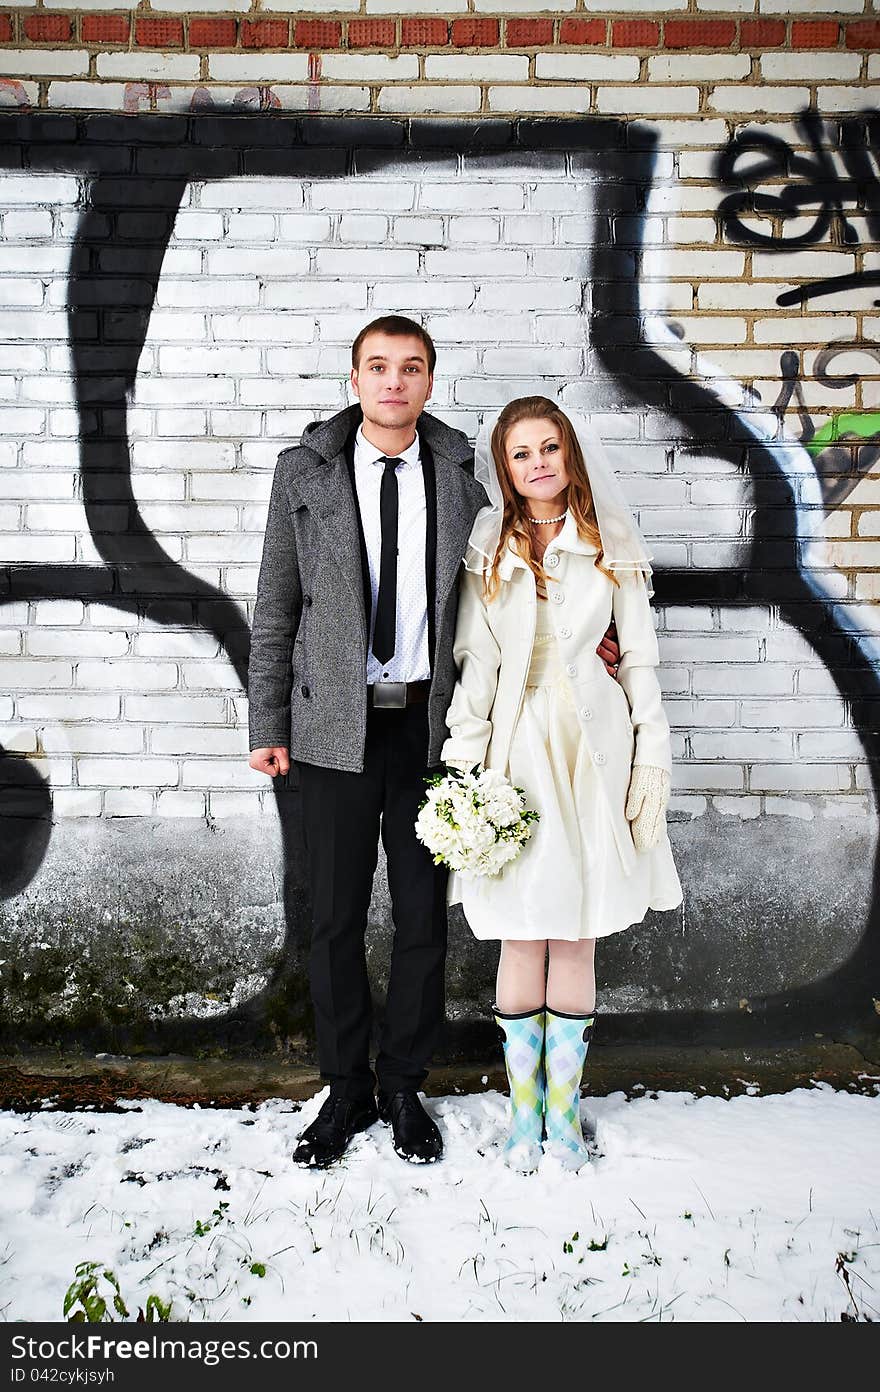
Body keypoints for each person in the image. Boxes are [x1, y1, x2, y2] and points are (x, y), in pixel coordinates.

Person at [247, 322, 622, 1169]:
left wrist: (595, 638)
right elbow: (276, 609)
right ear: (355, 378)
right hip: (331, 729)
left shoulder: (461, 476)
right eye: (378, 368)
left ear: (427, 381)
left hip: (428, 728)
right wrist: (267, 726)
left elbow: (518, 578)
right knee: (336, 916)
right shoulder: (301, 473)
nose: (393, 382)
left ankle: (403, 1085)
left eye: (410, 369)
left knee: (422, 919)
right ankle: (344, 1090)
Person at [440, 396, 684, 1173]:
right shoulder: (491, 543)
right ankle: (522, 1118)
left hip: (595, 747)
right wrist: (462, 769)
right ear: (505, 468)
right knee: (521, 924)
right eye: (522, 453)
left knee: (576, 926)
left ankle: (564, 1115)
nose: (538, 462)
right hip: (517, 749)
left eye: (551, 448)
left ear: (570, 456)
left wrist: (652, 759)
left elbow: (638, 658)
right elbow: (477, 665)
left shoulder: (611, 540)